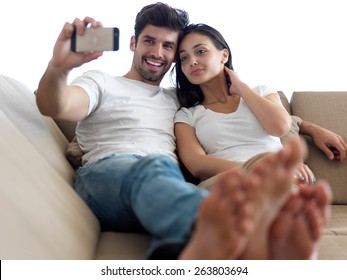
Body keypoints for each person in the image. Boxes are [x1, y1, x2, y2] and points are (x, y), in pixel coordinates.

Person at [36, 3, 331, 259]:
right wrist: (59, 68)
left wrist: (308, 127)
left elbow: (262, 118)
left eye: (167, 47)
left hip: (166, 186)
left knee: (171, 177)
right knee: (156, 169)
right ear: (132, 43)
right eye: (149, 42)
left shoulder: (178, 101)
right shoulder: (100, 82)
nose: (157, 53)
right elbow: (57, 105)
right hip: (108, 174)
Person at [173, 23, 344, 188]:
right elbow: (197, 164)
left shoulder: (262, 92)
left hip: (279, 183)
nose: (192, 61)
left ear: (224, 55)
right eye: (184, 58)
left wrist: (241, 88)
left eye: (200, 51)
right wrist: (259, 168)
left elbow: (281, 127)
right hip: (227, 184)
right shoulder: (187, 115)